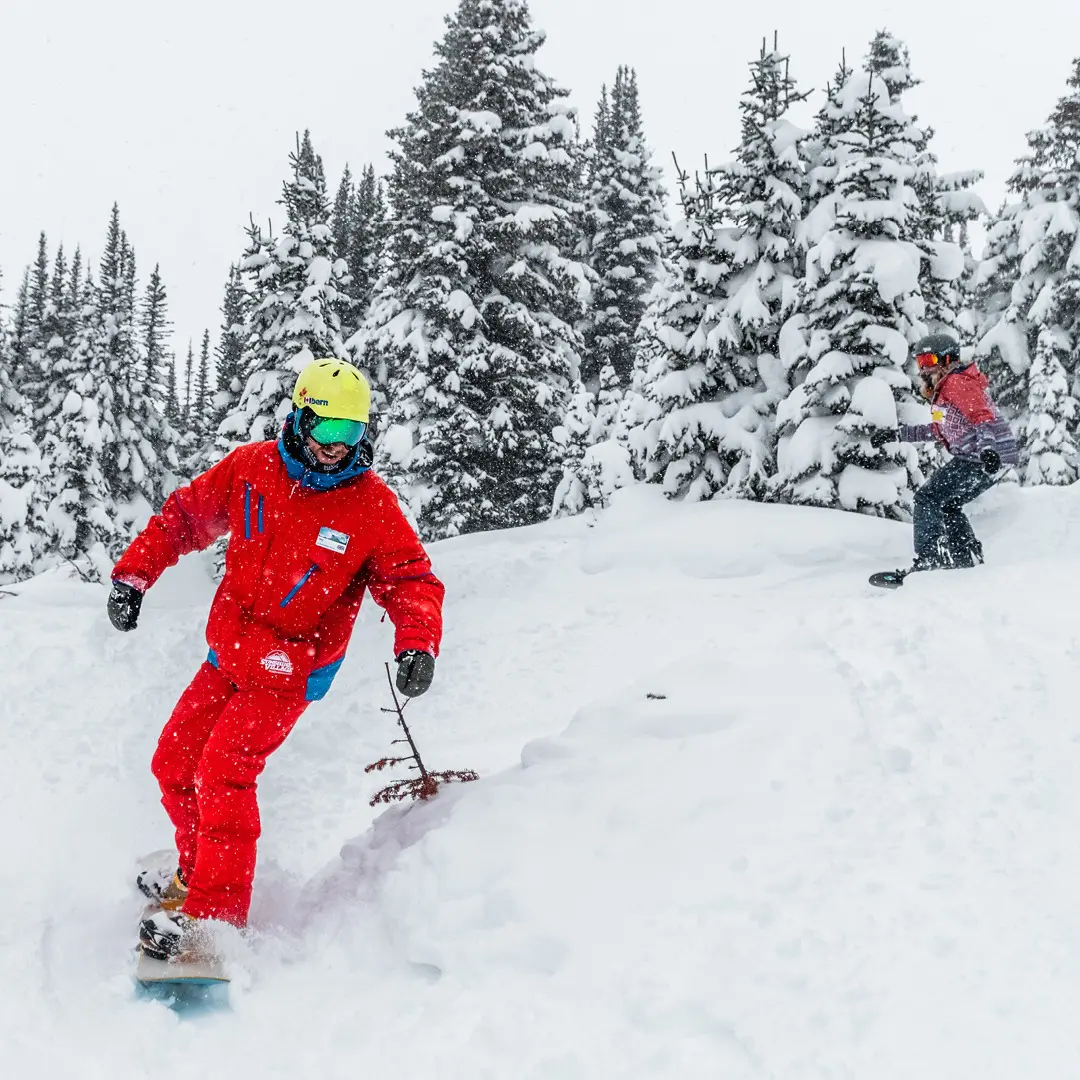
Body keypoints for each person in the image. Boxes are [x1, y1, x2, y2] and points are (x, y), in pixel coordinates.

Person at [108, 357, 444, 961]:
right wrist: (134, 575)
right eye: (327, 430)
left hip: (291, 668)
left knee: (224, 774)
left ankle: (214, 919)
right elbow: (184, 518)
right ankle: (193, 874)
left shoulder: (370, 507)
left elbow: (411, 579)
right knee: (174, 762)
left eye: (352, 433)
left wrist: (416, 640)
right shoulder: (252, 468)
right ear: (300, 416)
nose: (339, 447)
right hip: (229, 650)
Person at [871, 333, 1018, 575]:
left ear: (947, 359)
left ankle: (930, 561)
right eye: (919, 362)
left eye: (929, 361)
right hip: (989, 458)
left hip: (982, 457)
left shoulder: (956, 383)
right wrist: (897, 435)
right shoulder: (943, 394)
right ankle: (966, 560)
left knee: (926, 498)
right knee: (948, 504)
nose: (923, 369)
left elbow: (981, 416)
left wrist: (988, 449)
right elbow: (937, 431)